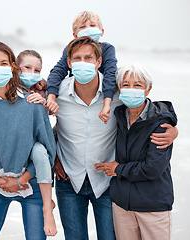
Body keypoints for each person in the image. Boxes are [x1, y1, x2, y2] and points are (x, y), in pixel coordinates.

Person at [54, 36, 178, 240]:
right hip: (69, 180)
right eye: (77, 58)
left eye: (88, 57)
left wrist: (173, 127)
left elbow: (150, 109)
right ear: (69, 63)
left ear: (99, 62)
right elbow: (40, 126)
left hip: (107, 182)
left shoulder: (118, 95)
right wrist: (53, 158)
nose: (83, 62)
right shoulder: (56, 94)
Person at [0, 49, 57, 237]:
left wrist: (21, 180)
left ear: (13, 67)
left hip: (32, 184)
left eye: (4, 63)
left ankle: (48, 207)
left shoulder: (33, 103)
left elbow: (48, 151)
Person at [95, 64, 177, 240]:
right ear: (119, 88)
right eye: (126, 84)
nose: (131, 89)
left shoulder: (161, 123)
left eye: (138, 85)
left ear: (148, 89)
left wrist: (118, 170)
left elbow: (153, 168)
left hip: (152, 206)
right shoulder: (118, 115)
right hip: (122, 206)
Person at [46, 11, 117, 123]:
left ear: (101, 31)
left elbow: (111, 72)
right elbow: (58, 71)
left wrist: (107, 102)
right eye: (82, 27)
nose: (88, 29)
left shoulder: (107, 49)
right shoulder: (71, 49)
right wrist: (51, 97)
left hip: (100, 95)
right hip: (75, 96)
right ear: (75, 35)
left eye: (92, 25)